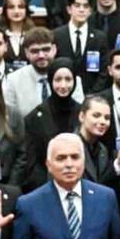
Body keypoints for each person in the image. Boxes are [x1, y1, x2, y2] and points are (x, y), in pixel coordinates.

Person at [18, 59, 83, 192]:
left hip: (79, 182)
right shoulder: (35, 117)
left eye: (68, 79)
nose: (63, 85)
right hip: (44, 186)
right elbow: (31, 161)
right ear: (50, 81)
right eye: (58, 80)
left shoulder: (82, 114)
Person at [52, 0, 110, 98]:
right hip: (63, 94)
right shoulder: (56, 35)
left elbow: (104, 71)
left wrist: (93, 94)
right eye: (77, 6)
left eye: (86, 6)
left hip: (92, 95)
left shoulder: (100, 37)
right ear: (69, 9)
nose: (81, 10)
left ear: (90, 11)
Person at [2, 28, 58, 120]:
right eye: (35, 51)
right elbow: (9, 118)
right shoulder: (13, 80)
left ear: (54, 49)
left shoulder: (70, 77)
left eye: (46, 50)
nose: (41, 55)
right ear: (26, 53)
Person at [75, 95, 117, 185]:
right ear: (82, 116)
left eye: (107, 118)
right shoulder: (67, 145)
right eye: (96, 115)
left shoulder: (102, 150)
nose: (103, 121)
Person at [0, 0, 35, 71]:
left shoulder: (34, 35)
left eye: (21, 7)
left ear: (26, 10)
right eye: (11, 7)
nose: (16, 11)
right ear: (5, 11)